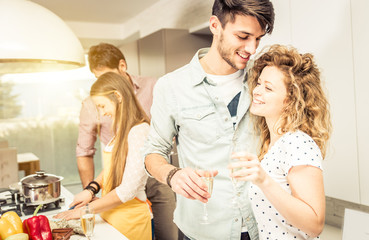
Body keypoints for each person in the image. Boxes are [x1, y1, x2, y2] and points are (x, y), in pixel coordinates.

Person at [143, 0, 275, 239]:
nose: (252, 48)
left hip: (262, 226)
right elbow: (153, 152)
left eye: (258, 38)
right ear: (215, 25)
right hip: (200, 230)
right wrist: (172, 175)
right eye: (243, 36)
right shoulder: (171, 87)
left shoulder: (265, 78)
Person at [229, 44, 332, 239]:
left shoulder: (298, 143)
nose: (257, 91)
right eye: (259, 83)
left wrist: (264, 181)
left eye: (268, 88)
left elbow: (315, 224)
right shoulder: (273, 144)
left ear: (290, 100)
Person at [76, 43, 178, 239]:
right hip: (119, 180)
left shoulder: (153, 87)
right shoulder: (92, 104)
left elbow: (173, 125)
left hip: (156, 174)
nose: (102, 111)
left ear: (122, 66)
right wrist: (90, 190)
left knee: (167, 233)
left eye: (107, 75)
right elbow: (85, 152)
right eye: (99, 79)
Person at [56, 72, 152, 239]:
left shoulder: (139, 131)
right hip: (111, 216)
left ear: (117, 96)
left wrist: (84, 211)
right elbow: (112, 167)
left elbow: (127, 191)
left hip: (130, 222)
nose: (101, 113)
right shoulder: (123, 130)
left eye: (102, 106)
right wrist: (91, 189)